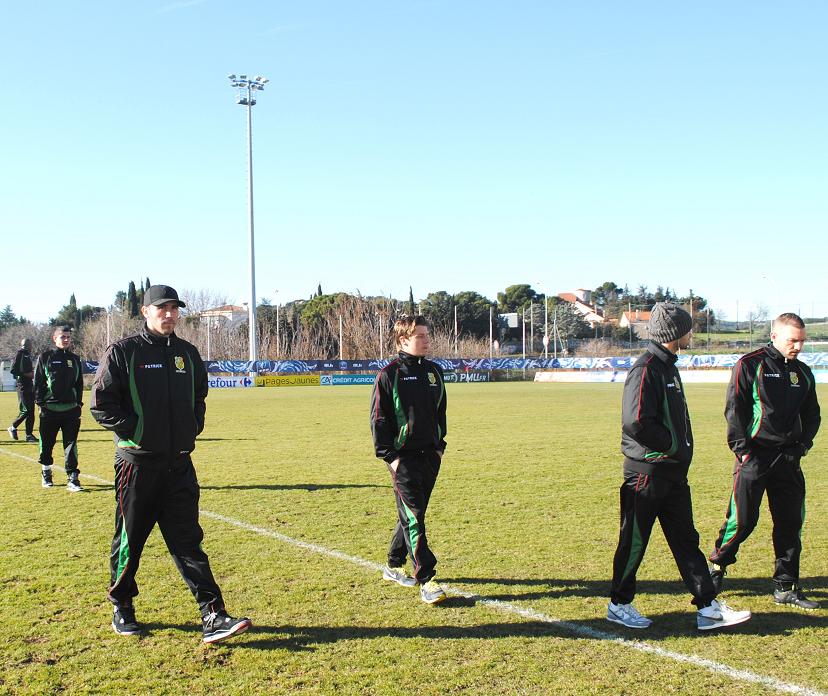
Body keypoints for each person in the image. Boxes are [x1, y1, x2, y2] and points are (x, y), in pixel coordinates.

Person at [90, 284, 252, 643]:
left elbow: (199, 397)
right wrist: (137, 433)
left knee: (189, 542)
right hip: (137, 466)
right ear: (145, 312)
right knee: (130, 541)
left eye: (174, 308)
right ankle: (122, 605)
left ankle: (214, 614)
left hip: (179, 465)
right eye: (161, 308)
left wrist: (191, 430)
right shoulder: (123, 352)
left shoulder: (187, 353)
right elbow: (101, 404)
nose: (169, 314)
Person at [608, 302, 750, 631]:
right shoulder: (647, 368)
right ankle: (619, 603)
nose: (692, 332)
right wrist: (672, 446)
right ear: (676, 333)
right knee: (634, 541)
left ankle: (708, 606)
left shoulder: (668, 366)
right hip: (647, 474)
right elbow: (636, 422)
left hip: (672, 474)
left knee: (686, 540)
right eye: (689, 328)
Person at [709, 312, 821, 610]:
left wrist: (802, 446)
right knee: (743, 520)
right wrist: (742, 450)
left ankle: (786, 586)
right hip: (754, 457)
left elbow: (813, 415)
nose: (797, 346)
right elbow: (735, 409)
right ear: (775, 337)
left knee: (790, 523)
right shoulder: (750, 364)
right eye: (792, 340)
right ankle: (717, 567)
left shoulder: (804, 373)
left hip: (788, 460)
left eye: (801, 341)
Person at [370, 315, 448, 605]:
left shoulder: (433, 372)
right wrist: (390, 457)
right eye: (420, 336)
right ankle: (427, 579)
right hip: (403, 459)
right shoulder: (389, 375)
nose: (427, 340)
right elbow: (378, 419)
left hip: (431, 456)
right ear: (403, 340)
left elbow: (440, 412)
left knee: (412, 514)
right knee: (414, 516)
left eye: (427, 334)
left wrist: (440, 446)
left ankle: (393, 565)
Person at [34, 327, 84, 491]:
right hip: (49, 410)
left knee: (71, 445)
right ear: (54, 338)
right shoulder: (45, 357)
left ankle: (73, 478)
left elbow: (79, 384)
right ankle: (46, 473)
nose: (66, 340)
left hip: (71, 410)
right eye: (63, 337)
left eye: (69, 337)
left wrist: (78, 403)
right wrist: (41, 403)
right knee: (47, 444)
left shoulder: (75, 359)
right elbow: (38, 382)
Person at [8, 338, 38, 443]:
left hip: (29, 385)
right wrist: (27, 374)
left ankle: (29, 435)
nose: (31, 347)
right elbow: (13, 370)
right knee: (26, 410)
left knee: (31, 412)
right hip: (22, 386)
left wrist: (31, 373)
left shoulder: (28, 355)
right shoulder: (20, 354)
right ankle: (13, 426)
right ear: (27, 345)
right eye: (30, 345)